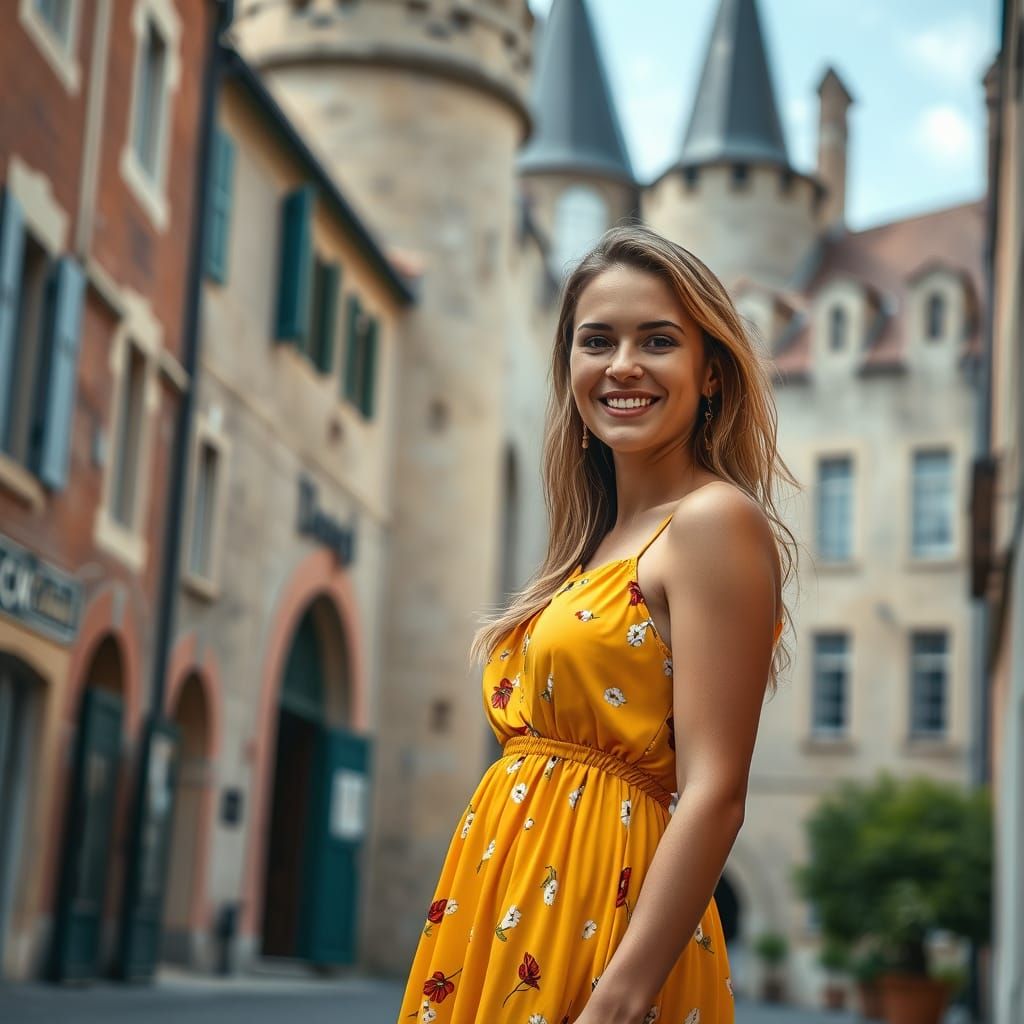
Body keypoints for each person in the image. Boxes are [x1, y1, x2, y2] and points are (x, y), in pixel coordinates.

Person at [396, 224, 799, 1024]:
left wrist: (619, 995)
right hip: (506, 913)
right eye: (596, 341)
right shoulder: (590, 547)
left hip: (602, 931)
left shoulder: (713, 522)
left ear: (710, 372)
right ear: (570, 368)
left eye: (658, 340)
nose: (623, 365)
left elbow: (716, 791)